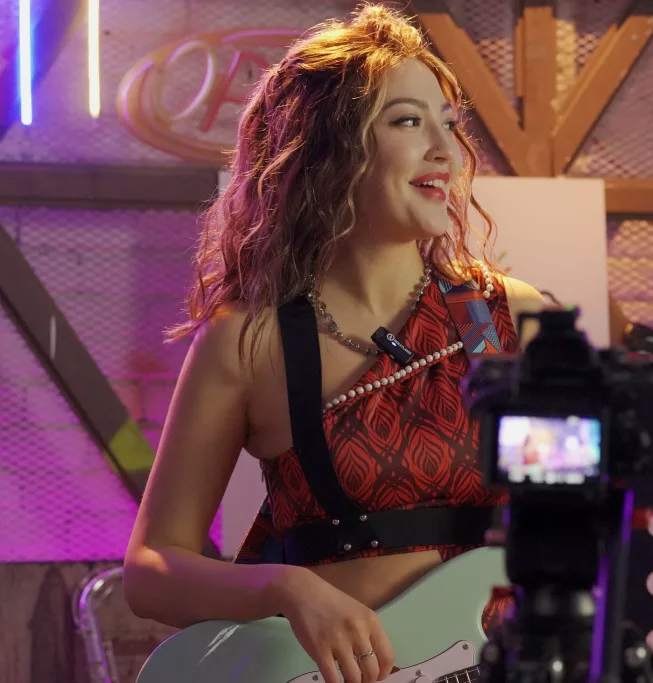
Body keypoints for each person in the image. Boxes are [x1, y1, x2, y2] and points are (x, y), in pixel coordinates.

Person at [122, 6, 546, 683]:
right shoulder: (247, 339)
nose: (446, 150)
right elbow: (150, 569)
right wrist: (285, 589)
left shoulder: (507, 319)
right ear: (328, 147)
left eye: (449, 123)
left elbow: (577, 517)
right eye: (408, 121)